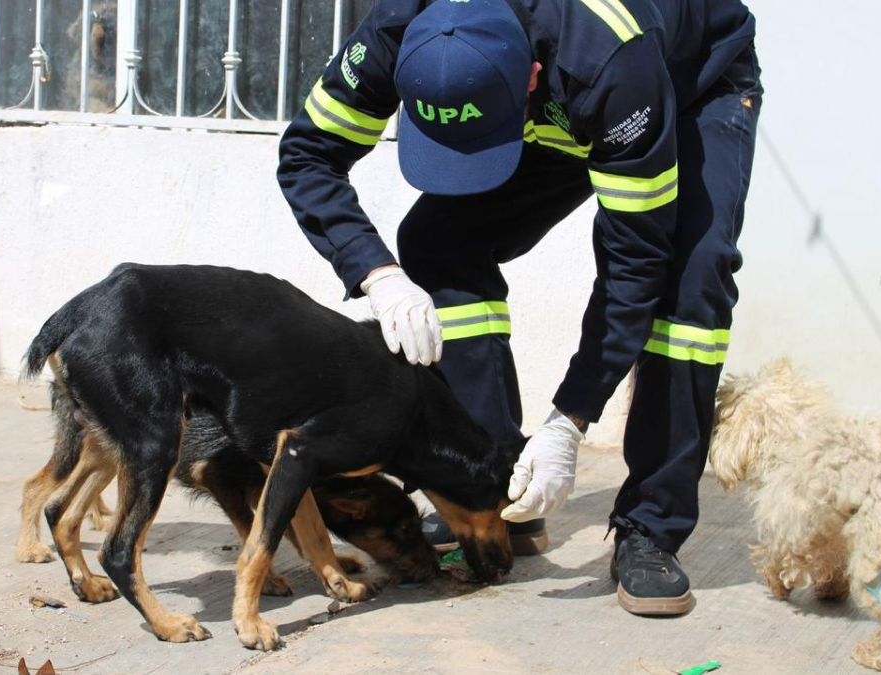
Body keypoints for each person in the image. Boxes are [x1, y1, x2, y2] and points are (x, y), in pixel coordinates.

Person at [277, 0, 760, 616]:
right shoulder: (398, 29)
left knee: (690, 281)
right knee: (440, 242)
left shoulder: (609, 59)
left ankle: (651, 527)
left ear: (530, 77)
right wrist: (375, 274)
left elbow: (637, 260)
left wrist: (571, 419)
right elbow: (307, 154)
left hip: (689, 82)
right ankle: (500, 490)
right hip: (553, 96)